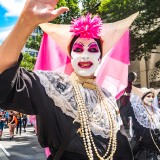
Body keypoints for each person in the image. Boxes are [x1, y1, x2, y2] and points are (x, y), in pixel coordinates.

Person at [0, 0, 136, 159]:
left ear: (99, 58)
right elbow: (5, 81)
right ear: (71, 57)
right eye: (78, 49)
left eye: (92, 49)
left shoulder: (108, 98)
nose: (85, 54)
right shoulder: (53, 86)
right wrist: (25, 23)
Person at [122, 86, 160, 160]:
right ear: (142, 98)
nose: (151, 98)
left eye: (152, 96)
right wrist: (128, 90)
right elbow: (125, 108)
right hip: (143, 152)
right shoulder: (137, 109)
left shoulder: (157, 111)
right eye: (148, 96)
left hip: (157, 149)